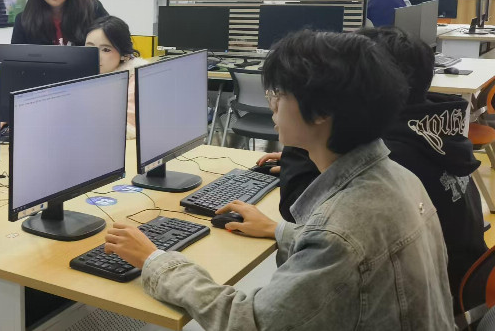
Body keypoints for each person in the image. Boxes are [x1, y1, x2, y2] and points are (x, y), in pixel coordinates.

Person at [104, 30, 455, 330]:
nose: (271, 105)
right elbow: (355, 253)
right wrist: (279, 230)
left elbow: (249, 322)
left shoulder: (338, 232)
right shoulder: (399, 177)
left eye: (279, 94)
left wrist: (156, 261)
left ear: (322, 112)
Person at [256, 27, 486, 306]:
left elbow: (302, 211)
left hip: (441, 298)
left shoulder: (394, 159)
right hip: (459, 284)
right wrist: (318, 150)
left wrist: (306, 140)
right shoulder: (430, 131)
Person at [84, 16, 148, 139]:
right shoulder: (81, 75)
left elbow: (125, 129)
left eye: (106, 50)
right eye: (90, 47)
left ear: (124, 55)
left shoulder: (137, 83)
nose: (95, 55)